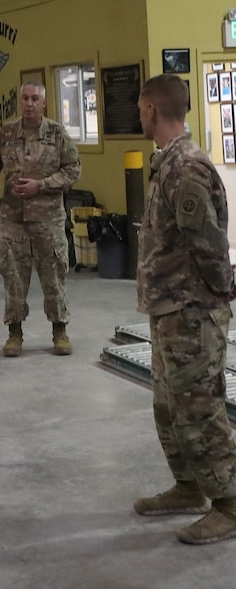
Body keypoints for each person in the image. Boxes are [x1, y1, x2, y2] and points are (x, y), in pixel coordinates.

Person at [133, 74, 236, 545]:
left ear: (152, 110)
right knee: (169, 409)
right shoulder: (168, 163)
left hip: (192, 313)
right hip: (169, 309)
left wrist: (215, 300)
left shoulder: (185, 168)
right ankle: (190, 487)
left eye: (140, 108)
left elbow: (212, 248)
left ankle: (231, 505)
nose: (139, 114)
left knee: (200, 411)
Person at [0, 82, 82, 356]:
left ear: (44, 103)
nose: (29, 103)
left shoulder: (56, 134)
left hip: (48, 219)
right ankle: (15, 334)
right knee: (13, 277)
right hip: (14, 220)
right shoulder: (7, 132)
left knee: (53, 276)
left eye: (35, 98)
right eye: (25, 98)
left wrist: (43, 184)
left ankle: (59, 331)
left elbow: (73, 169)